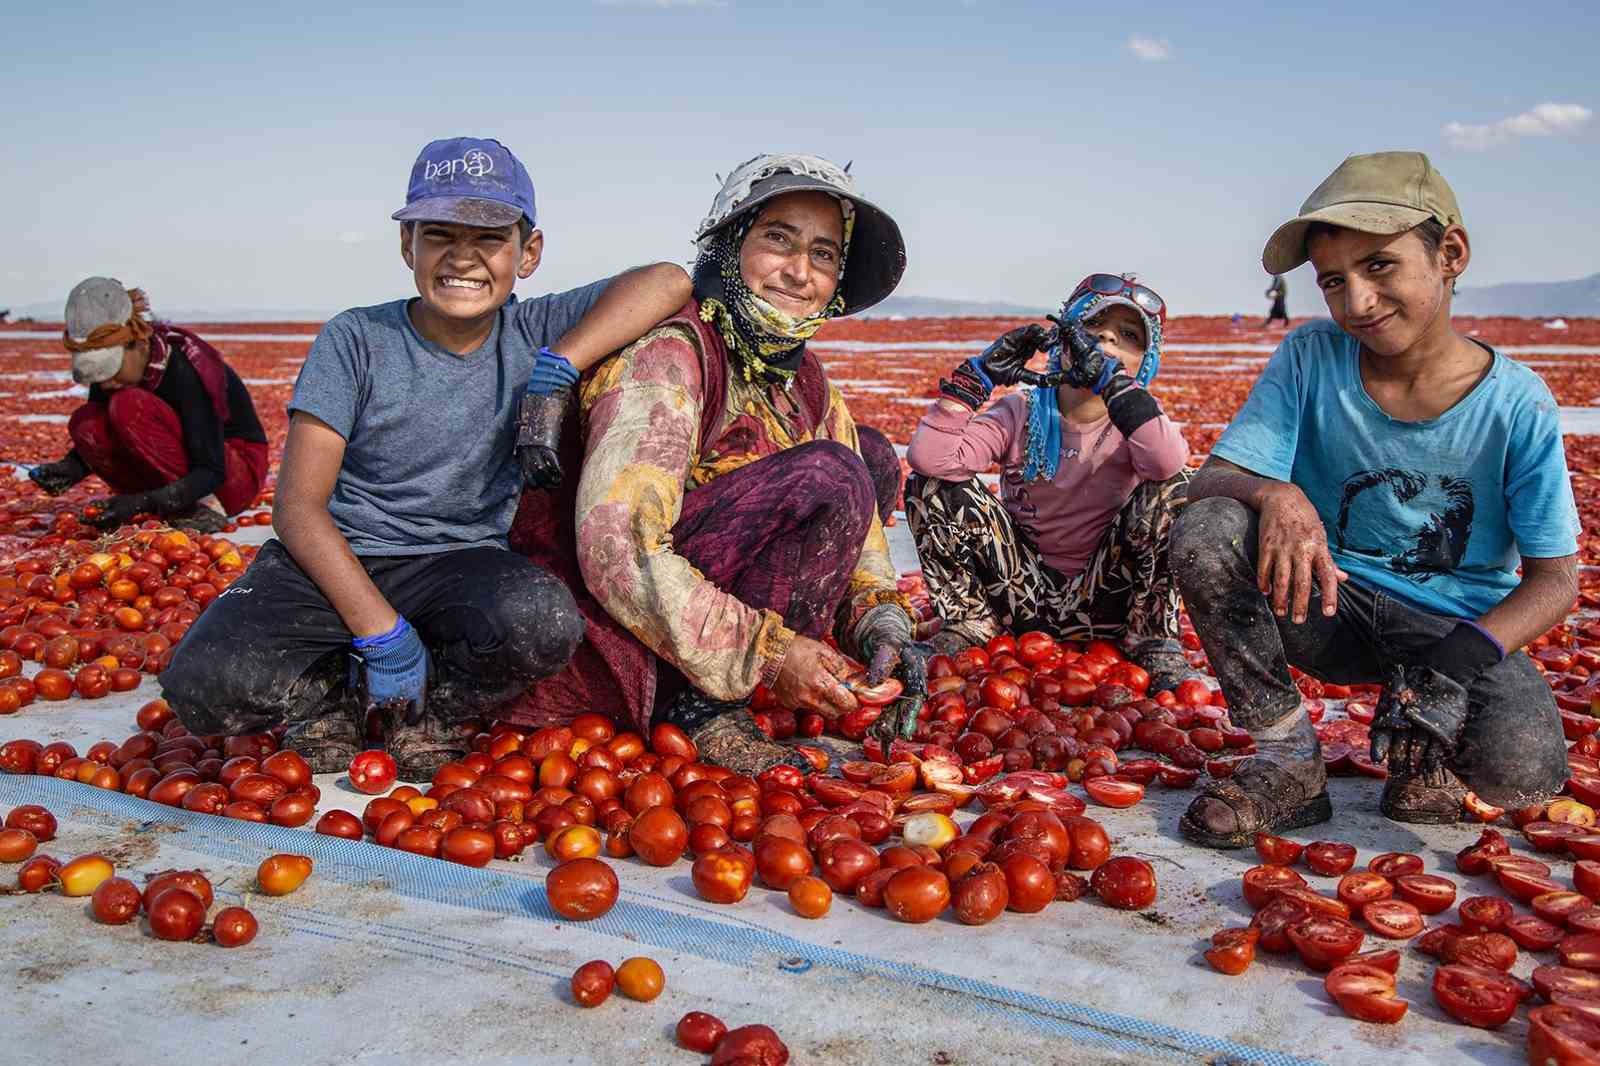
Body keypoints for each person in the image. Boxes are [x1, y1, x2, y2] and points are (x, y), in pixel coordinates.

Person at [161, 137, 692, 778]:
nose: (462, 259)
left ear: (529, 254)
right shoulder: (356, 339)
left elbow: (669, 280)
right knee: (203, 685)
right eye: (440, 235)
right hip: (336, 556)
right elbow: (298, 509)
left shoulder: (531, 331)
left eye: (490, 239)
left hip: (454, 564)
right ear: (408, 245)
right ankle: (329, 691)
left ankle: (432, 706)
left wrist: (561, 364)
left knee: (543, 623)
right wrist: (381, 632)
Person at [1173, 152, 1578, 847]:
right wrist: (1276, 491)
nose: (1357, 301)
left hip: (1450, 631)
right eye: (1334, 281)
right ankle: (1288, 763)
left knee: (1521, 771)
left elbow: (1557, 581)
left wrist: (1458, 665)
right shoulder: (1310, 358)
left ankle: (1433, 760)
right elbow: (1207, 484)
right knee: (1209, 528)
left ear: (1451, 253)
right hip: (1331, 605)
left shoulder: (1516, 405)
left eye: (1380, 266)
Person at [509, 153, 922, 774]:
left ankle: (733, 688)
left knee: (870, 458)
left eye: (823, 254)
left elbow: (860, 538)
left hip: (710, 616)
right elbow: (617, 547)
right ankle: (697, 709)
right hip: (614, 625)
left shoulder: (807, 382)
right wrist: (769, 653)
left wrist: (880, 623)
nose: (798, 271)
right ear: (731, 246)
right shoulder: (673, 353)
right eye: (777, 240)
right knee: (829, 474)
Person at [904, 274, 1196, 690]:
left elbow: (1168, 464)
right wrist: (978, 376)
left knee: (1179, 486)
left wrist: (1115, 386)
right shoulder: (1019, 411)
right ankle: (970, 622)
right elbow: (930, 459)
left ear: (1146, 363)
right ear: (1063, 340)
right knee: (929, 486)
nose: (1107, 341)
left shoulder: (1139, 421)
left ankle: (1152, 637)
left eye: (1129, 335)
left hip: (1107, 601)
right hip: (1021, 595)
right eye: (1093, 328)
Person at [29, 279, 269, 533]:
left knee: (128, 405)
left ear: (140, 344)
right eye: (99, 376)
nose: (106, 383)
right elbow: (102, 435)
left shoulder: (183, 369)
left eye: (112, 369)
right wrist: (68, 469)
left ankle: (199, 508)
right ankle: (166, 501)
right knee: (86, 419)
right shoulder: (114, 378)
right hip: (184, 474)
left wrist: (143, 503)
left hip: (232, 476)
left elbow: (211, 470)